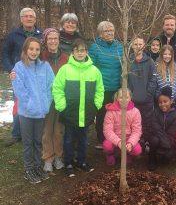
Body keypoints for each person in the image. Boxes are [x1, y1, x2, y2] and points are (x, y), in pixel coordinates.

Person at [52, 39, 104, 177]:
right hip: (70, 113)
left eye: (82, 50)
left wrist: (96, 105)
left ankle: (81, 161)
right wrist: (62, 105)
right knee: (68, 139)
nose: (80, 53)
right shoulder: (65, 69)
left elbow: (100, 90)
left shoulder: (94, 71)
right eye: (77, 50)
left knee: (83, 139)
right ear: (72, 52)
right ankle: (68, 162)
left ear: (86, 52)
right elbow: (57, 88)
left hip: (86, 113)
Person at [12, 37, 54, 184]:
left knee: (38, 141)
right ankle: (29, 169)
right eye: (31, 49)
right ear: (25, 50)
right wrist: (30, 104)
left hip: (41, 112)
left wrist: (47, 103)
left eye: (37, 49)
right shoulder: (19, 67)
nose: (34, 52)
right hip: (27, 113)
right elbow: (19, 89)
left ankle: (37, 166)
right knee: (28, 142)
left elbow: (51, 86)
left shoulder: (45, 67)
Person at [2, 7, 42, 147]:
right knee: (19, 105)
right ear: (21, 19)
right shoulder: (13, 35)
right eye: (26, 16)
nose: (29, 18)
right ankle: (16, 134)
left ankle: (34, 133)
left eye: (31, 16)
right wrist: (10, 69)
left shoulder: (41, 34)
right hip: (19, 77)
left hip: (37, 76)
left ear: (35, 19)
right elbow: (5, 54)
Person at [88, 21, 123, 150]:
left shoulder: (119, 47)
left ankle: (115, 138)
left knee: (115, 114)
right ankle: (101, 139)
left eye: (111, 30)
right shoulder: (95, 47)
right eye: (106, 31)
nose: (109, 33)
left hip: (116, 87)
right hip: (102, 87)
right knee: (102, 114)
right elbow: (91, 67)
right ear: (100, 33)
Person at [40, 28, 69, 172]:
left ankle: (58, 156)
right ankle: (47, 158)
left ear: (59, 40)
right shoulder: (41, 57)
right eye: (49, 39)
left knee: (58, 130)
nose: (53, 41)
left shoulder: (66, 57)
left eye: (55, 38)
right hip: (46, 99)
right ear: (45, 41)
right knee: (47, 130)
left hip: (61, 98)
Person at [128, 36, 156, 151]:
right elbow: (125, 80)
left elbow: (153, 80)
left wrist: (148, 94)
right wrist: (130, 95)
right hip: (133, 100)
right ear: (132, 46)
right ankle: (136, 143)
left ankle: (146, 142)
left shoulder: (149, 61)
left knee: (146, 122)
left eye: (140, 44)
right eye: (135, 44)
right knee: (134, 123)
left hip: (146, 99)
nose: (138, 47)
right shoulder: (128, 61)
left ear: (144, 46)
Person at [103, 88, 142, 166]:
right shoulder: (111, 111)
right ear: (117, 98)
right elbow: (107, 131)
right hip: (114, 138)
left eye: (126, 97)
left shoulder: (135, 112)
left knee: (137, 150)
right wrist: (119, 142)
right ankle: (111, 155)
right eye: (121, 97)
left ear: (130, 98)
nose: (124, 100)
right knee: (107, 146)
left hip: (128, 138)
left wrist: (131, 143)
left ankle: (128, 154)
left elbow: (137, 131)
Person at [148, 86, 176, 171]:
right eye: (160, 102)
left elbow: (172, 133)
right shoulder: (155, 113)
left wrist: (167, 145)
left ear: (171, 101)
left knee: (167, 158)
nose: (162, 104)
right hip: (158, 139)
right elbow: (156, 129)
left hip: (169, 140)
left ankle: (163, 155)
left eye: (165, 101)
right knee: (154, 140)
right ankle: (152, 158)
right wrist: (166, 144)